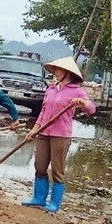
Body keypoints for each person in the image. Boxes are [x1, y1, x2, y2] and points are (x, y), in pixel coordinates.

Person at [22, 56, 95, 213]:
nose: (55, 72)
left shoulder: (77, 91)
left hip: (61, 135)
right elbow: (43, 112)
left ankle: (54, 203)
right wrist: (33, 130)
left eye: (58, 70)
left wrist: (83, 103)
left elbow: (91, 109)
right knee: (40, 166)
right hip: (43, 133)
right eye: (54, 69)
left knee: (57, 169)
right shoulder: (51, 89)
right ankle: (39, 198)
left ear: (67, 73)